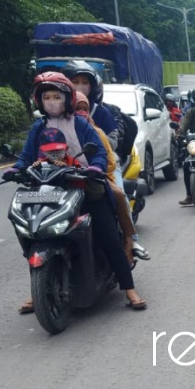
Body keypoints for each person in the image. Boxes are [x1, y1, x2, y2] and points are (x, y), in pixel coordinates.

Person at [6, 72, 146, 312]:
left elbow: (100, 153)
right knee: (31, 230)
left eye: (56, 96)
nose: (51, 101)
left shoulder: (80, 124)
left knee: (108, 236)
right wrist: (16, 169)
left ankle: (129, 288)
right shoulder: (38, 127)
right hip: (49, 188)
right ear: (39, 101)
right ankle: (38, 289)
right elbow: (26, 156)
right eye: (46, 97)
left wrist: (95, 167)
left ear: (66, 98)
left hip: (84, 186)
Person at [74, 91, 139, 266]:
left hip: (98, 176)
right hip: (67, 180)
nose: (80, 112)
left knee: (118, 194)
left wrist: (95, 169)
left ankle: (129, 241)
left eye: (83, 109)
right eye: (76, 108)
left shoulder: (96, 128)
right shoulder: (52, 128)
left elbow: (108, 159)